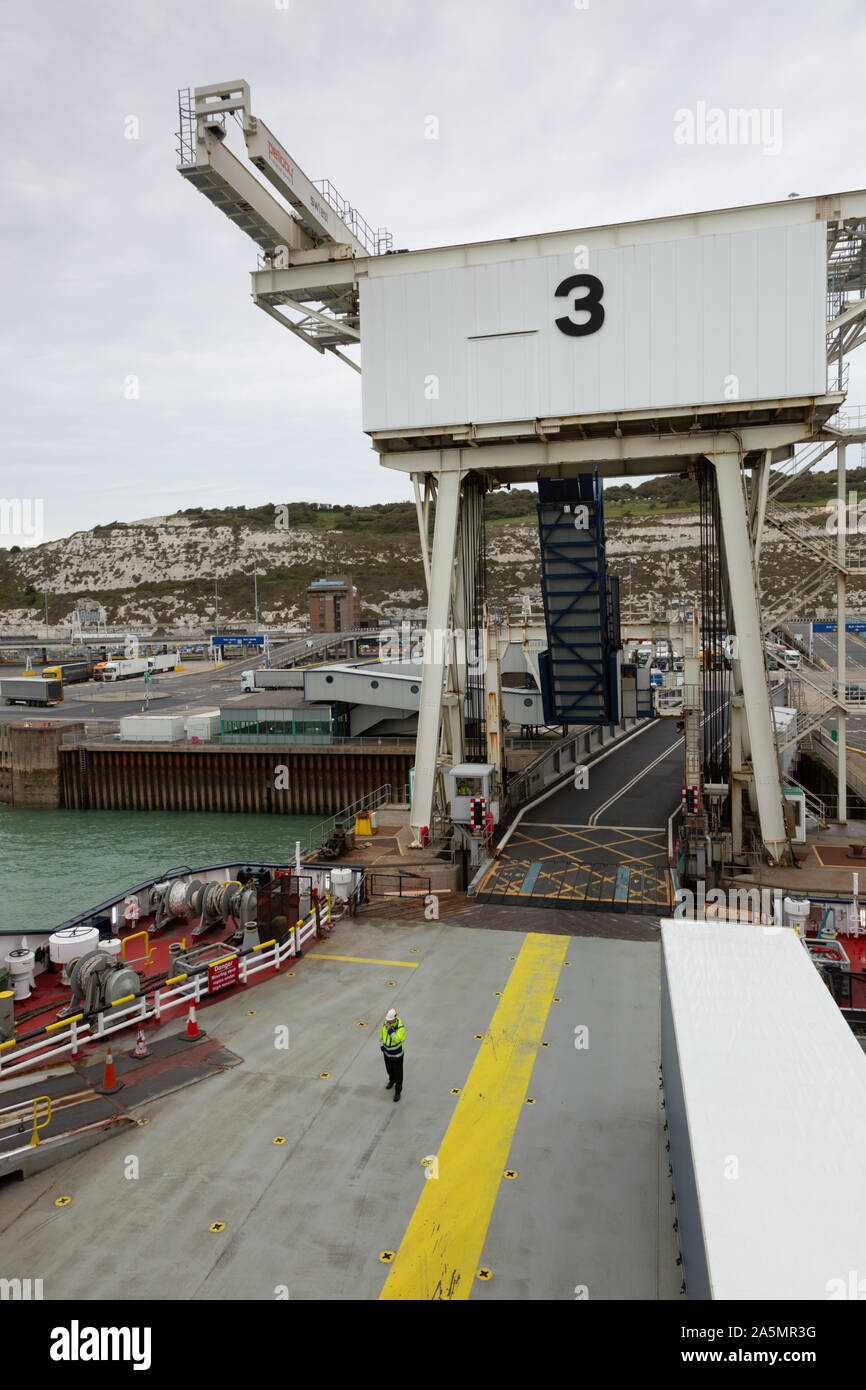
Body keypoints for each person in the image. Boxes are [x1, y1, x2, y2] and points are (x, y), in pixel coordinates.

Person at [380, 1007, 405, 1102]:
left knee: (399, 1073)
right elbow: (381, 1036)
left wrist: (390, 1030)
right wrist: (381, 1046)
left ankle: (398, 1091)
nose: (388, 1022)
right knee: (389, 1068)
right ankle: (392, 1080)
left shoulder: (400, 1027)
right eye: (387, 1020)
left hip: (397, 1055)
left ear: (395, 1019)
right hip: (387, 1053)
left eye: (390, 1020)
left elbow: (397, 1039)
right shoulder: (384, 1025)